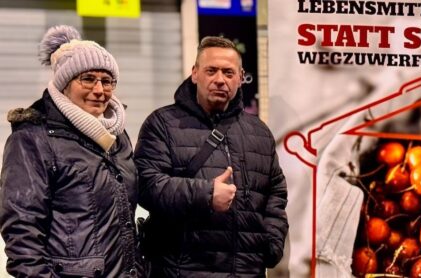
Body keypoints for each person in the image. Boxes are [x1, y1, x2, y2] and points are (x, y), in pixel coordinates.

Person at [134, 36, 288, 277]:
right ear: (195, 73)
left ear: (240, 77)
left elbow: (275, 193)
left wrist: (271, 244)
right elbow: (147, 185)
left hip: (246, 271)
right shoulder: (162, 124)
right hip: (181, 270)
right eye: (211, 70)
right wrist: (205, 195)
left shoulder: (259, 131)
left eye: (228, 72)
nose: (220, 79)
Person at [0, 25, 143, 277]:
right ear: (64, 83)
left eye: (107, 81)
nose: (99, 90)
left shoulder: (117, 135)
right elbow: (22, 232)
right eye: (87, 78)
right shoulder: (33, 138)